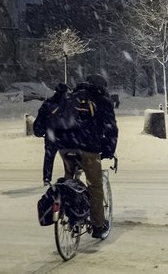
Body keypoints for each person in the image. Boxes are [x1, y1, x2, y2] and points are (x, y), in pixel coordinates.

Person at [54, 74, 118, 239]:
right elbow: (110, 128)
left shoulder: (71, 97)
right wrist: (109, 150)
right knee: (95, 185)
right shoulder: (102, 99)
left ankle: (69, 211)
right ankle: (98, 226)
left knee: (69, 178)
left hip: (64, 146)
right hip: (88, 148)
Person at [32, 83, 69, 186]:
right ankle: (69, 178)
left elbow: (40, 119)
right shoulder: (68, 103)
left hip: (51, 135)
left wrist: (41, 131)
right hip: (65, 136)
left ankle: (47, 178)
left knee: (49, 158)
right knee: (67, 159)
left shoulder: (48, 103)